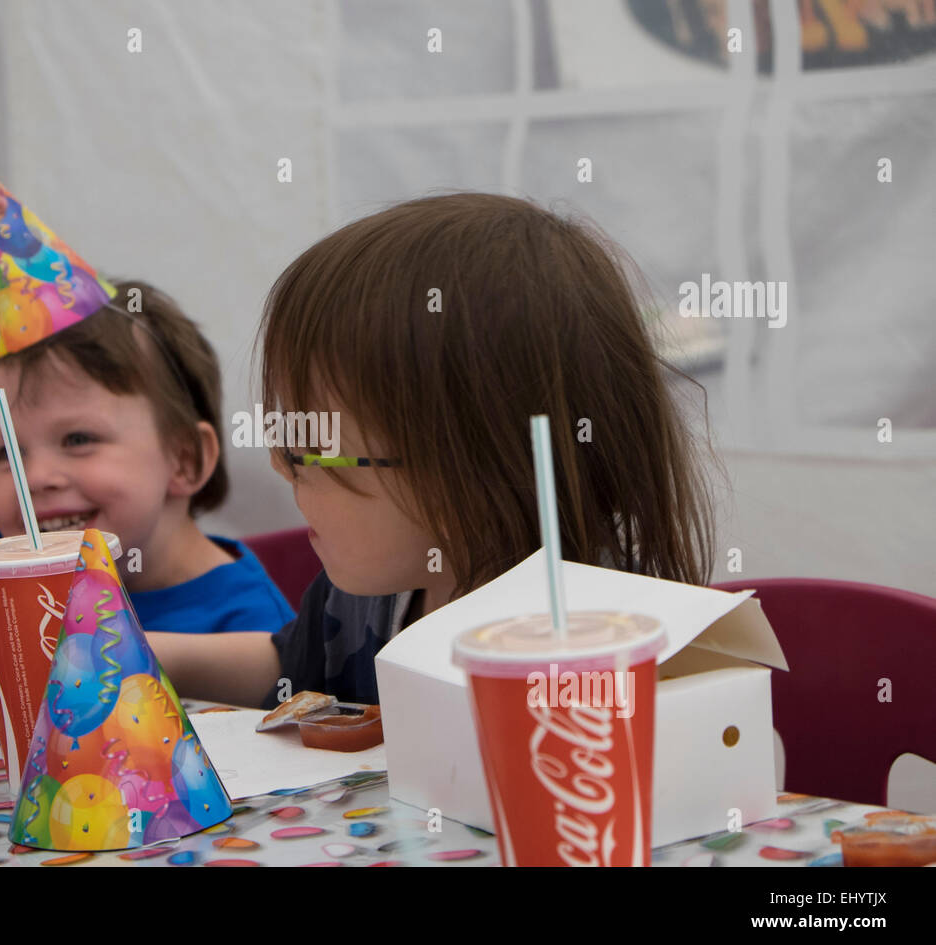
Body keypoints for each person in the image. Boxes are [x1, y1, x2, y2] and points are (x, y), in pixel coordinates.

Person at [149, 192, 717, 706]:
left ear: (462, 474)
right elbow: (289, 669)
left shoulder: (607, 635)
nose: (279, 463)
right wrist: (150, 655)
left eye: (309, 447)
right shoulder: (373, 589)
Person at [0, 134, 294, 634]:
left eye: (78, 439)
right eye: (7, 453)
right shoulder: (32, 537)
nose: (36, 479)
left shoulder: (253, 625)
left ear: (184, 458)